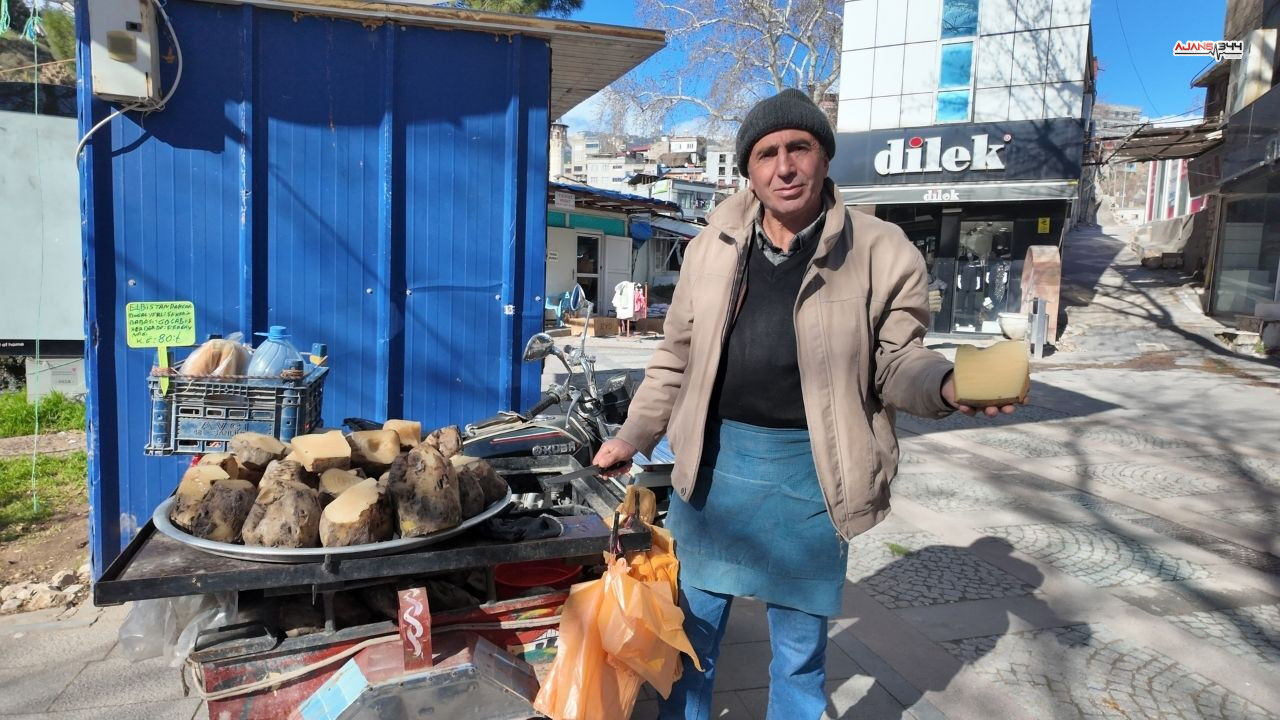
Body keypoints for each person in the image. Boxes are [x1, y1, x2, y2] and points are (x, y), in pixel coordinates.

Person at [592, 89, 1022, 720]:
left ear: (824, 159)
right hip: (715, 475)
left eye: (800, 148)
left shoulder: (881, 251)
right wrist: (633, 435)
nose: (784, 167)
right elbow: (675, 359)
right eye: (767, 154)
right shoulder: (711, 245)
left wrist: (948, 387)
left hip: (814, 478)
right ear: (749, 169)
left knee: (798, 657)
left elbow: (898, 361)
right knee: (690, 644)